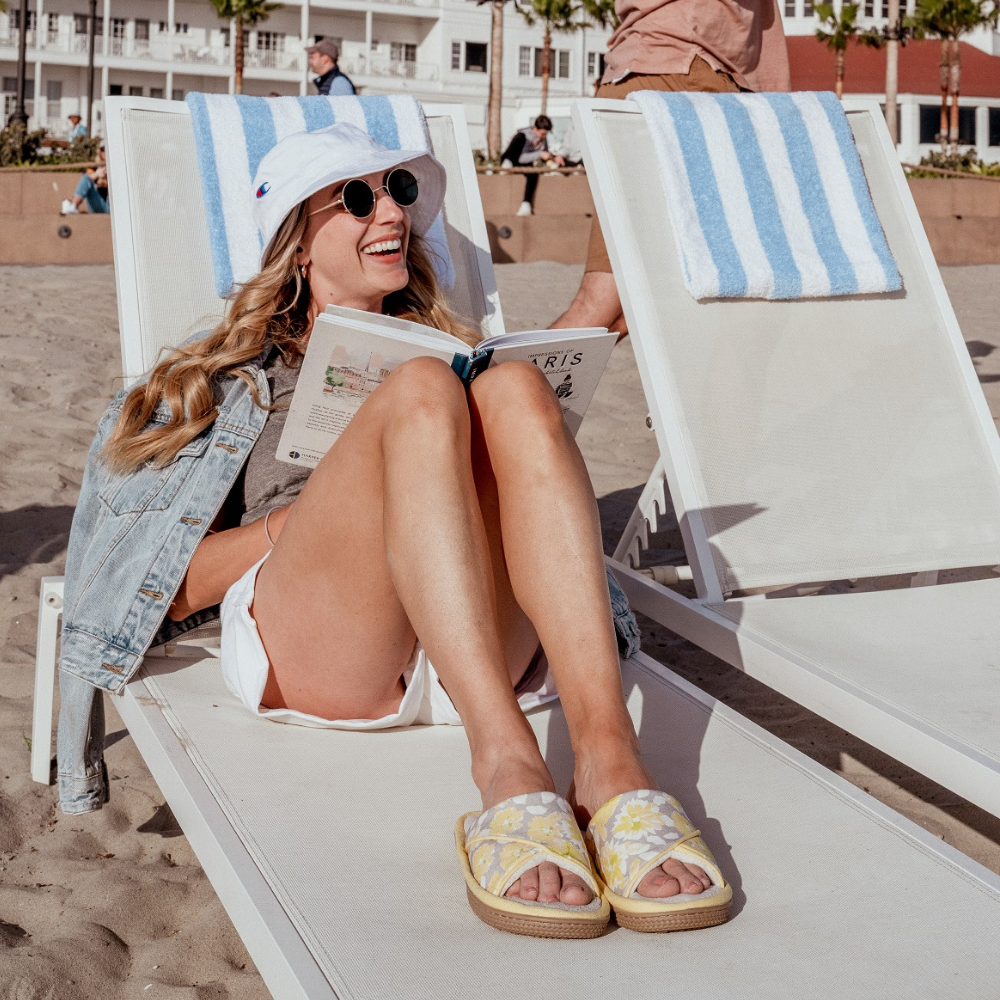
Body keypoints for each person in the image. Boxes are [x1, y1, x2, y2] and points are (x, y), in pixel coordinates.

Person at [57, 123, 729, 937]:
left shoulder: (463, 359)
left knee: (512, 387)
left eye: (400, 192)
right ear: (298, 245)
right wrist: (319, 511)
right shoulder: (216, 388)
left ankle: (611, 764)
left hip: (477, 637)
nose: (392, 214)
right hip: (331, 651)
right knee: (419, 388)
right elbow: (156, 591)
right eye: (356, 196)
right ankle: (509, 767)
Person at [551, 0, 791, 335]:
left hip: (700, 77)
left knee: (642, 312)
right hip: (675, 70)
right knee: (604, 304)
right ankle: (495, 385)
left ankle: (506, 383)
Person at [500, 115, 565, 217]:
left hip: (527, 165)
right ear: (535, 128)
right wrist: (539, 154)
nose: (543, 136)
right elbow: (521, 158)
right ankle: (506, 162)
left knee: (533, 174)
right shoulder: (525, 136)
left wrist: (553, 157)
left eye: (546, 134)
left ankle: (526, 204)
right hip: (515, 160)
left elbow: (544, 153)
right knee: (519, 137)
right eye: (542, 133)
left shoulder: (543, 139)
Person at [61, 141, 108, 215]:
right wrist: (97, 175)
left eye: (107, 149)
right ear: (100, 152)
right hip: (98, 203)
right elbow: (87, 177)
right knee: (86, 178)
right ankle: (73, 206)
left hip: (112, 205)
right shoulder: (95, 167)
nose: (105, 153)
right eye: (103, 150)